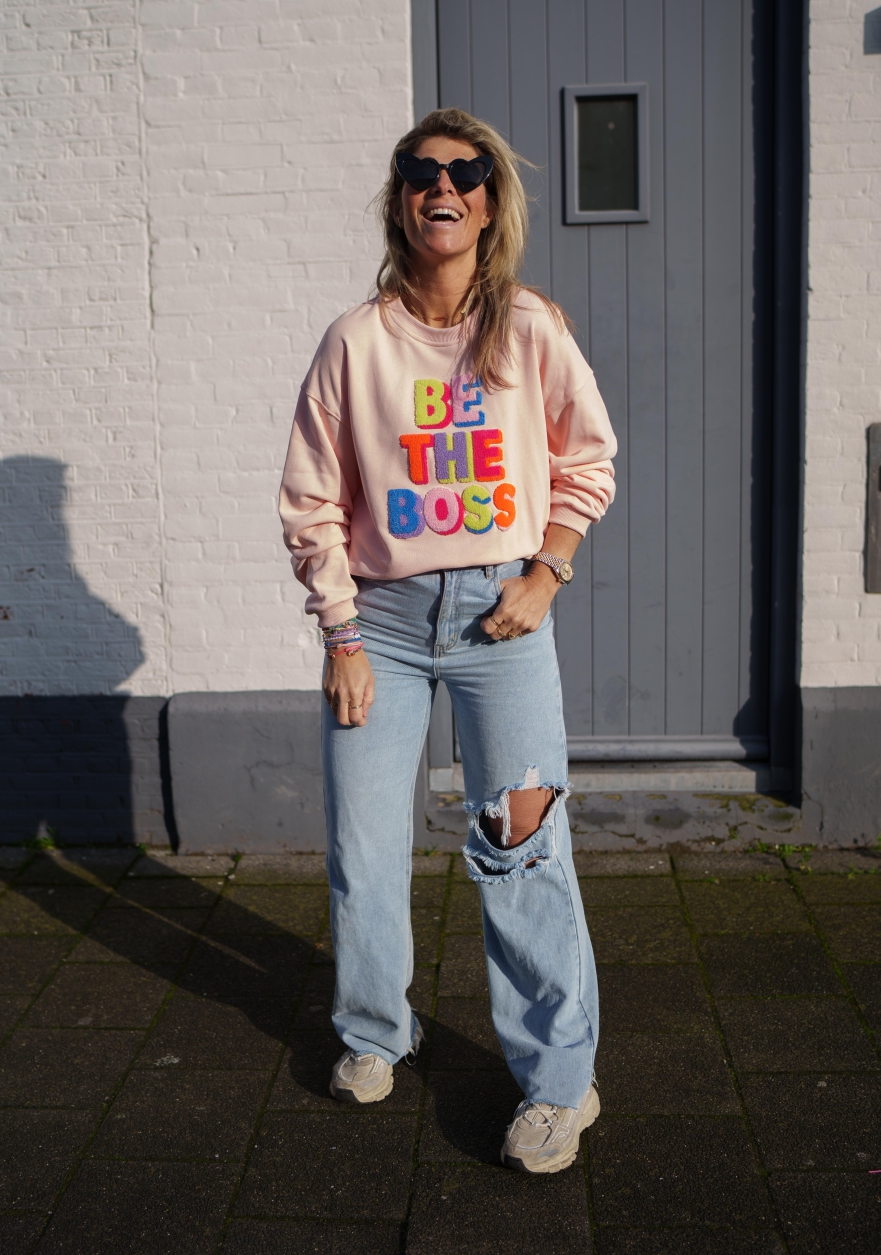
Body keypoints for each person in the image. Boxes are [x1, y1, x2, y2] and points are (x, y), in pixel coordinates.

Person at [279, 107, 616, 1174]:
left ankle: (559, 1084)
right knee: (364, 847)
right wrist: (340, 633)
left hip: (500, 622)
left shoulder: (530, 329)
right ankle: (377, 1032)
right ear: (398, 199)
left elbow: (587, 463)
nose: (444, 187)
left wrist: (546, 573)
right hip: (378, 625)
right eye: (421, 171)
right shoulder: (356, 342)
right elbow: (312, 498)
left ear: (489, 201)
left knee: (523, 848)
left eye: (466, 172)